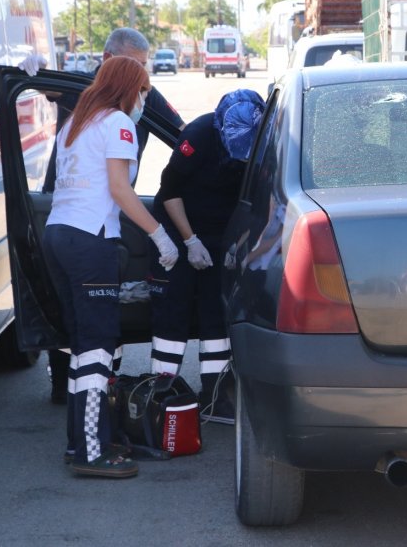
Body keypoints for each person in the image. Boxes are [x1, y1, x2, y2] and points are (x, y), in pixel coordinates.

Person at [21, 27, 186, 404]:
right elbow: (119, 187)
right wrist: (35, 71)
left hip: (80, 219)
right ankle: (78, 396)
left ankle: (94, 395)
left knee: (91, 322)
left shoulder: (139, 94)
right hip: (86, 214)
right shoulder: (87, 91)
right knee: (88, 321)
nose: (144, 84)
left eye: (146, 68)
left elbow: (181, 136)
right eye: (137, 67)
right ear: (112, 60)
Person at [42, 55, 179, 477]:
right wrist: (160, 235)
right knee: (99, 348)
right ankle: (91, 451)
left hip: (58, 236)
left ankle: (81, 442)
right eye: (142, 91)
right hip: (90, 241)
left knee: (83, 349)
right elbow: (121, 191)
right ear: (127, 89)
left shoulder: (75, 124)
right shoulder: (118, 123)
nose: (143, 99)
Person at [148, 89, 266, 425]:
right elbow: (169, 192)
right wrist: (189, 241)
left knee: (216, 314)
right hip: (179, 223)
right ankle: (162, 393)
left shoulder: (262, 139)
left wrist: (237, 245)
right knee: (174, 307)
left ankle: (214, 397)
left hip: (221, 232)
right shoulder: (199, 135)